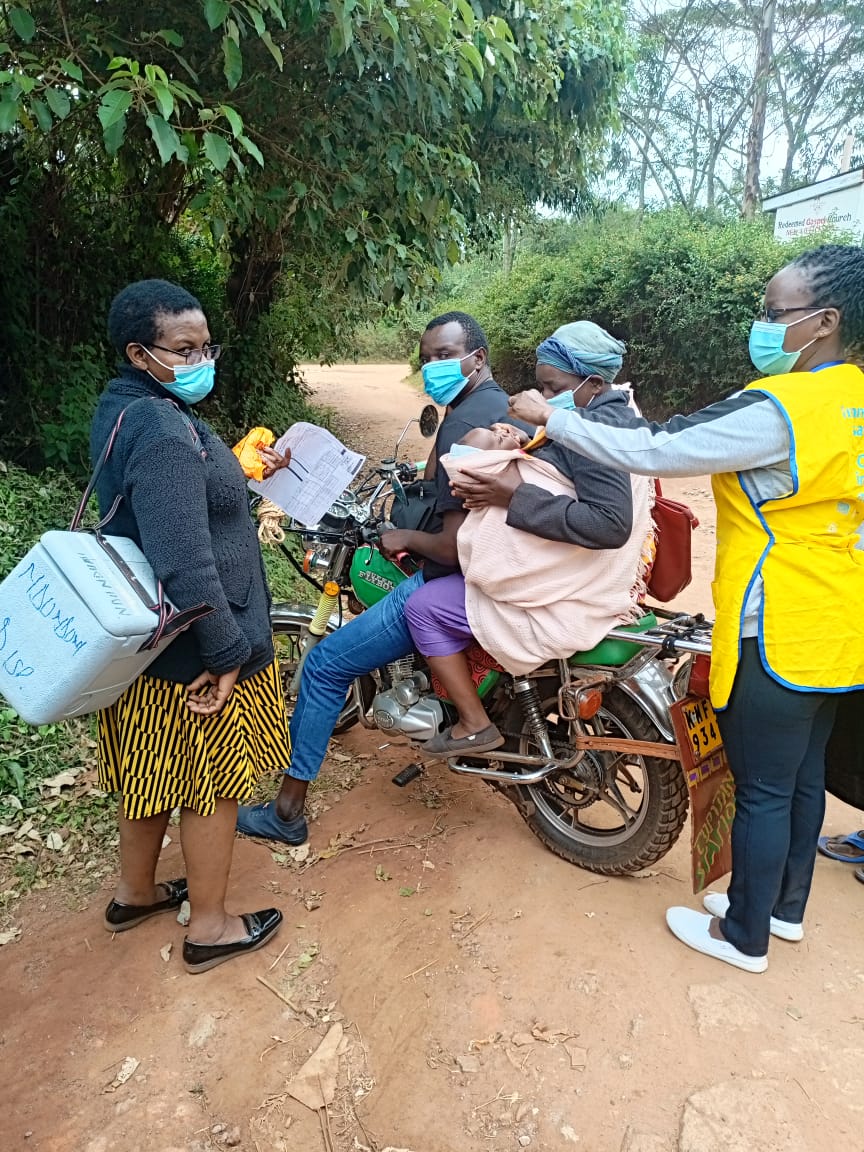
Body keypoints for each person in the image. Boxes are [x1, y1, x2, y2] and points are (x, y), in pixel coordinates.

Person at [509, 244, 864, 974]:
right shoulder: (856, 401)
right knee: (801, 777)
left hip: (780, 617)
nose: (763, 324)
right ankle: (784, 910)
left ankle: (746, 935)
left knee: (764, 786)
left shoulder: (782, 410)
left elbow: (659, 449)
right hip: (843, 622)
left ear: (824, 322)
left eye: (776, 313)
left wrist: (556, 418)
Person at [237, 311, 510, 844]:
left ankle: (287, 812)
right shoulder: (496, 406)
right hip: (499, 576)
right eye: (426, 357)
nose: (434, 366)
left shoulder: (461, 424)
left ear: (476, 357)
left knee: (322, 665)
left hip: (443, 575)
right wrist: (416, 477)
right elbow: (447, 485)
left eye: (445, 355)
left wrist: (404, 538)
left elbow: (454, 547)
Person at [92, 279, 288, 974]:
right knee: (208, 784)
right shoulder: (165, 429)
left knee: (152, 776)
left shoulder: (128, 407)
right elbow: (183, 557)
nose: (201, 359)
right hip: (198, 652)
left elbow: (176, 503)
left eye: (206, 345)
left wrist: (237, 469)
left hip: (150, 651)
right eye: (184, 348)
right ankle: (209, 925)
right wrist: (229, 650)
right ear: (140, 352)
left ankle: (135, 892)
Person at [403, 321, 650, 754]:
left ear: (592, 383)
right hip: (579, 577)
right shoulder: (612, 412)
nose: (541, 400)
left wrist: (509, 491)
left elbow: (610, 521)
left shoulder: (594, 433)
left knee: (423, 607)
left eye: (551, 388)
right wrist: (530, 441)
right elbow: (568, 472)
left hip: (568, 595)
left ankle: (473, 722)